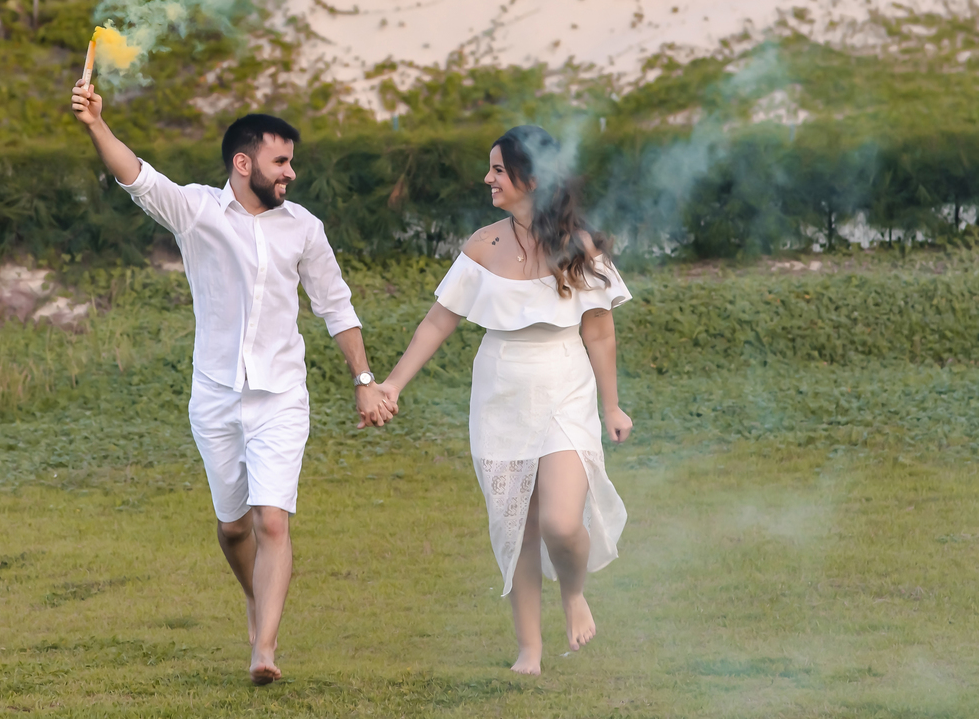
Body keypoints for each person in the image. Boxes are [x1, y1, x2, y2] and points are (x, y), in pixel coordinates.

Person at [70, 80, 393, 685]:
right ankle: (253, 595)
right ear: (244, 164)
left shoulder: (304, 228)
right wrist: (95, 125)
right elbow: (136, 176)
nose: (290, 173)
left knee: (273, 522)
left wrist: (364, 378)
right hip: (215, 395)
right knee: (234, 527)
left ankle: (263, 649)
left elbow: (336, 306)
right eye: (281, 161)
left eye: (291, 162)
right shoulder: (195, 211)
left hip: (282, 396)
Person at [375, 125, 632, 675]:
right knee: (519, 526)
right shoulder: (483, 246)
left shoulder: (579, 246)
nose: (487, 179)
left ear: (531, 179)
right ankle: (529, 649)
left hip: (564, 386)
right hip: (501, 390)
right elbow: (438, 321)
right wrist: (392, 384)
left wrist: (611, 406)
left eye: (498, 170)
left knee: (561, 523)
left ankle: (573, 593)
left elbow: (599, 332)